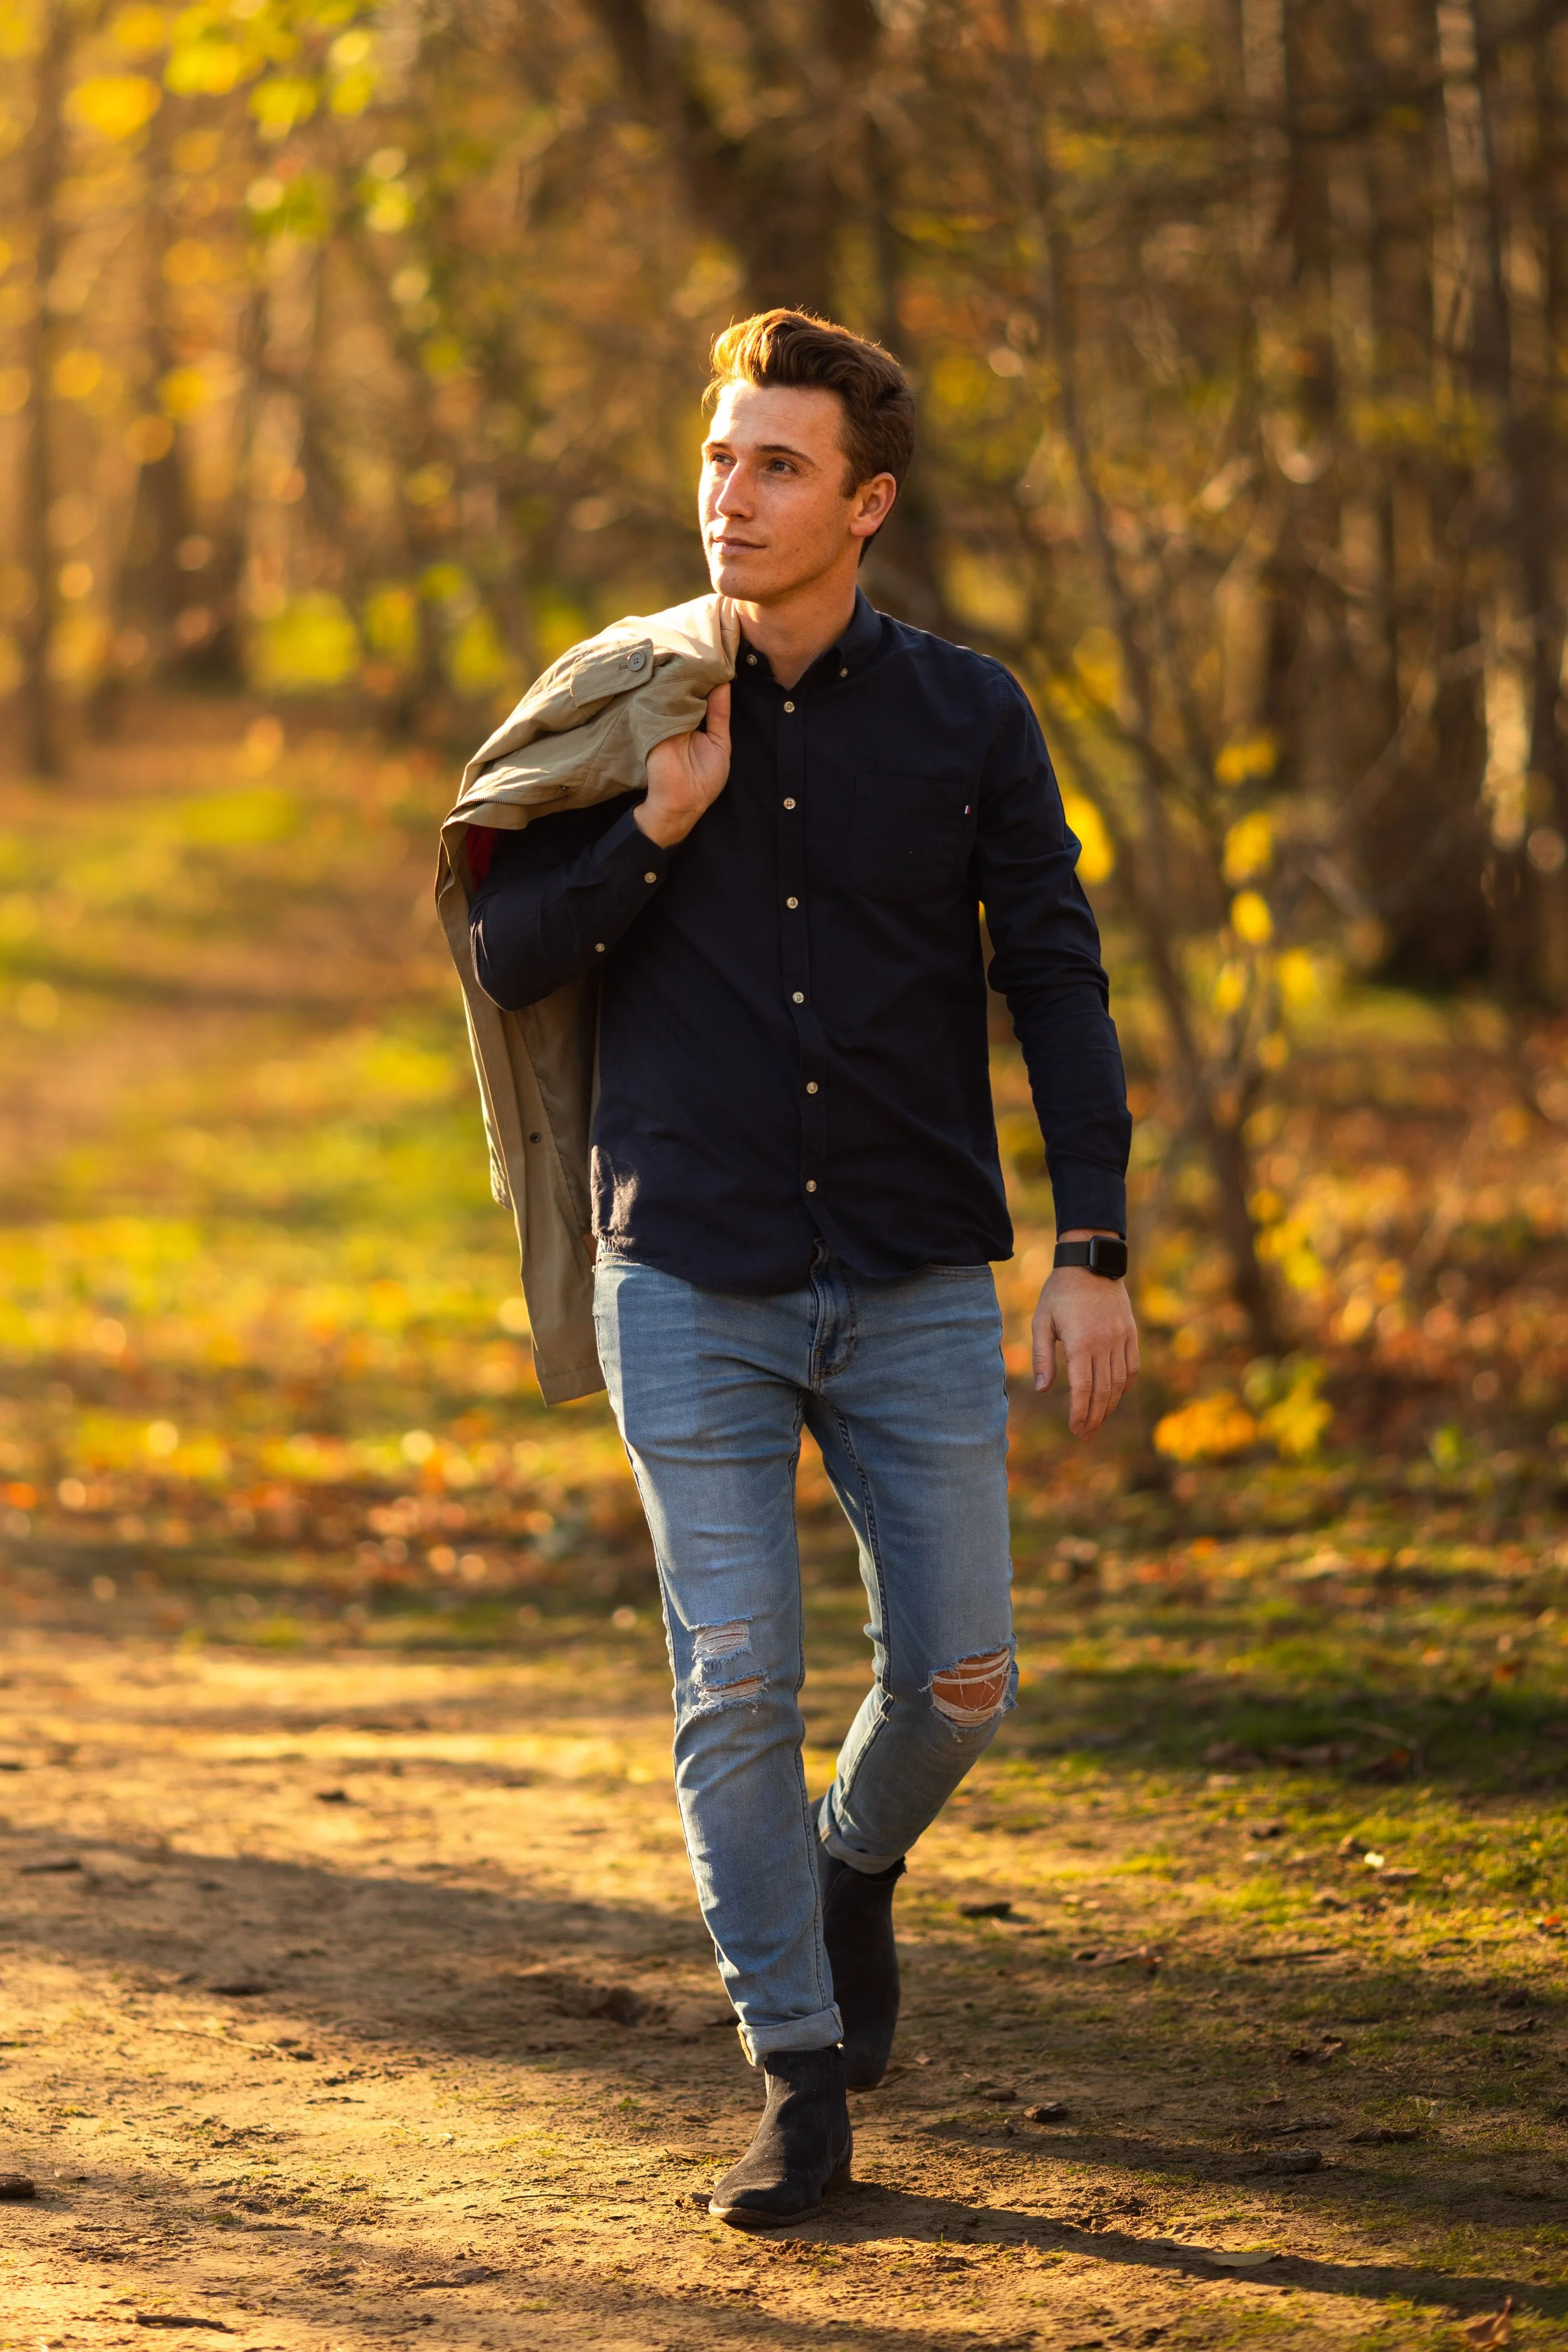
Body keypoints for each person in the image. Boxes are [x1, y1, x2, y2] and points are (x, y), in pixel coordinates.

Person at [468, 309, 1137, 2228]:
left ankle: (851, 1863)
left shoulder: (967, 716)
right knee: (734, 1674)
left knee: (961, 1674)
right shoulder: (621, 702)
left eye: (775, 465)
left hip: (917, 1265)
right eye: (717, 456)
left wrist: (1089, 1243)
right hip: (685, 1266)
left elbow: (1056, 975)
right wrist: (650, 839)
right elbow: (506, 961)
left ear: (867, 503)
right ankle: (796, 2068)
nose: (730, 497)